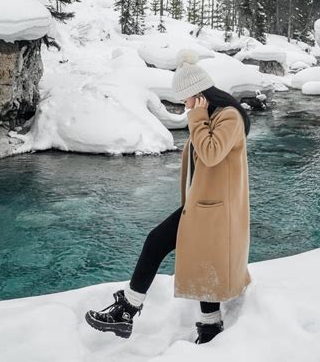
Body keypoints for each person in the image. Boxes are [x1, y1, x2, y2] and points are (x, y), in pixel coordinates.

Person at [85, 49, 252, 344]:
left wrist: (197, 118)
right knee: (183, 251)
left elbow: (211, 153)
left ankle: (130, 310)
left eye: (186, 99)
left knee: (166, 245)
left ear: (198, 95)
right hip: (200, 207)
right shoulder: (209, 116)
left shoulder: (228, 117)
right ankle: (198, 325)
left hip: (216, 211)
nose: (184, 106)